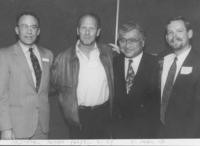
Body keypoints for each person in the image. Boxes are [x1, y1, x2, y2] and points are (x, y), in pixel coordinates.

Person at [51, 13, 114, 139]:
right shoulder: (63, 58)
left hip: (104, 115)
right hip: (77, 117)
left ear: (98, 32)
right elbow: (52, 86)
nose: (87, 32)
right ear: (78, 31)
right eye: (83, 28)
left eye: (91, 28)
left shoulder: (109, 53)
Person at [0, 11, 53, 139]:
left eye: (33, 27)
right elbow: (1, 95)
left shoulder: (48, 55)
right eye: (24, 26)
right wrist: (5, 128)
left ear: (38, 31)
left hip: (42, 127)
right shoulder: (4, 55)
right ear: (17, 30)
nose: (29, 31)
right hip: (16, 128)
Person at [111, 21, 160, 138]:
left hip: (145, 134)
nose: (127, 45)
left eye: (132, 40)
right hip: (119, 133)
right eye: (122, 40)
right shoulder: (113, 63)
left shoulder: (156, 64)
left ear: (142, 42)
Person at [159, 16, 200, 138]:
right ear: (166, 38)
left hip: (187, 134)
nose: (174, 36)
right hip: (159, 131)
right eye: (170, 32)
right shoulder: (161, 59)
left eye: (179, 31)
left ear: (190, 33)